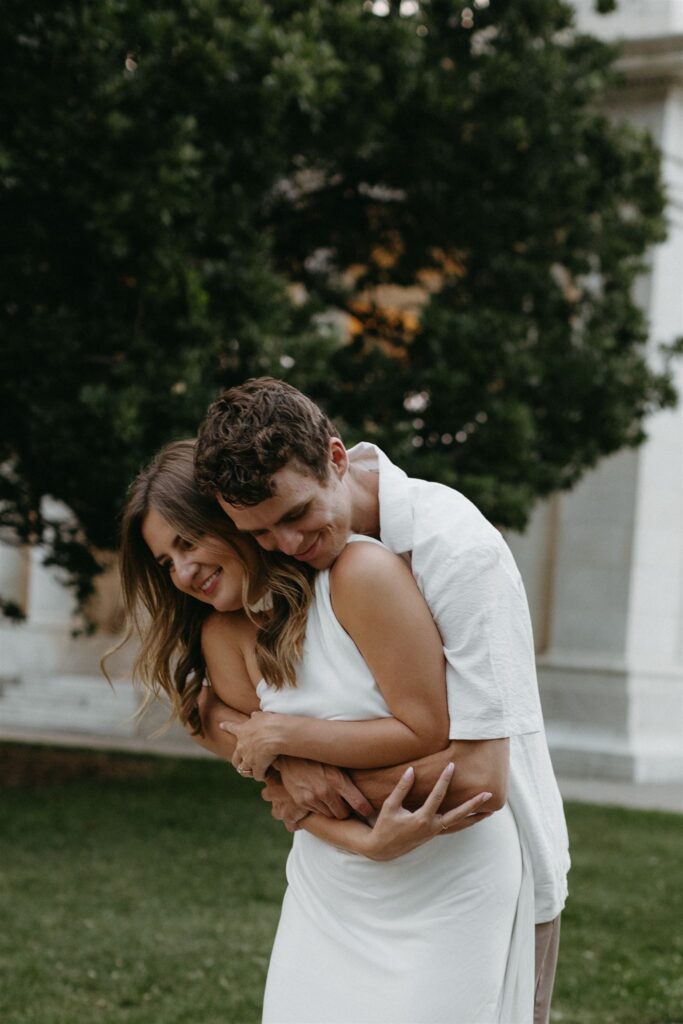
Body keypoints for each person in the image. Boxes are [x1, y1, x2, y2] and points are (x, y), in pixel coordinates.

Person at [113, 439, 534, 1023]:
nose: (182, 572)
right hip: (331, 887)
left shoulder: (365, 572)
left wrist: (286, 740)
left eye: (187, 542)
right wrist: (349, 830)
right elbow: (286, 793)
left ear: (232, 519)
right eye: (165, 563)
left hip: (446, 881)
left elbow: (434, 739)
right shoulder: (223, 636)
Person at [194, 377, 570, 1024]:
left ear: (336, 459)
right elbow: (210, 690)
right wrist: (284, 759)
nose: (285, 545)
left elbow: (479, 777)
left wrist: (306, 775)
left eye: (294, 516)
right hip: (335, 887)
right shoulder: (292, 552)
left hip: (468, 868)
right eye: (258, 533)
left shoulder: (459, 552)